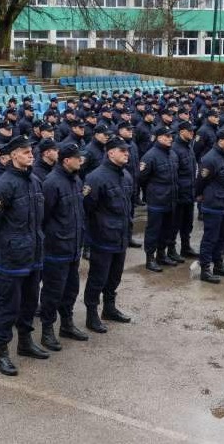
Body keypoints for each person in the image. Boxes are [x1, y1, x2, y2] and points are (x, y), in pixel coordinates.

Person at [0, 136, 49, 376]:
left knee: (30, 303)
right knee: (8, 306)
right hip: (12, 257)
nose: (30, 155)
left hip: (34, 254)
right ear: (11, 156)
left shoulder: (35, 181)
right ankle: (1, 353)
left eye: (31, 151)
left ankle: (25, 342)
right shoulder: (3, 185)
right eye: (24, 152)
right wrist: (12, 239)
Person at [81, 136, 134, 333]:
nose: (127, 153)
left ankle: (109, 308)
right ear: (111, 152)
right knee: (98, 277)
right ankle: (91, 313)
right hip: (102, 237)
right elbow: (87, 208)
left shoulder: (125, 175)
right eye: (122, 150)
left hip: (120, 236)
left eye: (127, 150)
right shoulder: (96, 177)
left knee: (114, 276)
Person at [39, 142, 89, 350]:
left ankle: (66, 324)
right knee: (53, 291)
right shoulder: (51, 183)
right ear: (67, 160)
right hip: (56, 248)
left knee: (71, 289)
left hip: (73, 246)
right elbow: (43, 217)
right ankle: (47, 330)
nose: (81, 160)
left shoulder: (76, 179)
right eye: (78, 157)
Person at [195, 129, 224, 283]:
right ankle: (205, 269)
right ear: (221, 141)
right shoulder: (210, 158)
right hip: (213, 204)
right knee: (210, 237)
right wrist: (200, 196)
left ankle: (218, 265)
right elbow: (200, 182)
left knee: (222, 237)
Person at [137, 125, 179, 272]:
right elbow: (141, 178)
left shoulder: (173, 154)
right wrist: (152, 192)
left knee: (167, 229)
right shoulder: (150, 156)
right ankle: (150, 258)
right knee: (153, 230)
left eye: (171, 136)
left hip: (171, 199)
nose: (170, 139)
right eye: (167, 136)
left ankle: (162, 254)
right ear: (159, 137)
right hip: (157, 200)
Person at [171, 121, 196, 260]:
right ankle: (172, 249)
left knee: (188, 224)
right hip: (180, 194)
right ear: (182, 132)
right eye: (189, 130)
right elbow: (174, 174)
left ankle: (186, 247)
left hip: (189, 192)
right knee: (175, 224)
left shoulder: (189, 146)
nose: (192, 133)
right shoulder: (175, 149)